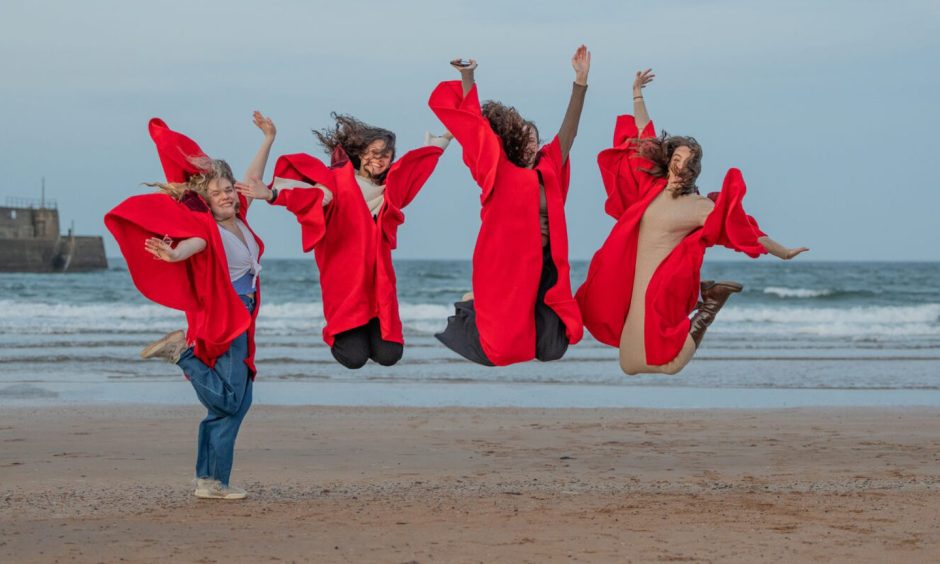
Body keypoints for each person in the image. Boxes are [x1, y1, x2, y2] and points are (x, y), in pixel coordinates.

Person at [575, 69, 809, 375]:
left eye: (687, 159)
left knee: (670, 366)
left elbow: (742, 231)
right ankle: (708, 299)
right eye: (676, 155)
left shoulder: (698, 206)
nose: (680, 161)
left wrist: (784, 251)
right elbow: (646, 133)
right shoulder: (651, 189)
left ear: (693, 168)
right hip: (634, 284)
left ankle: (710, 306)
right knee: (629, 365)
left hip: (658, 288)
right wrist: (637, 93)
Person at [104, 112, 275, 499]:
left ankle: (207, 481)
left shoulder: (241, 220)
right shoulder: (207, 228)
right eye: (218, 193)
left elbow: (253, 180)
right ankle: (182, 354)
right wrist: (174, 254)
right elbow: (195, 245)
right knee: (232, 400)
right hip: (223, 313)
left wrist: (267, 139)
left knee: (236, 403)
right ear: (206, 201)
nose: (228, 195)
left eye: (229, 189)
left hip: (244, 314)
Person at [238, 114, 450, 368]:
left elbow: (414, 170)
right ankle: (341, 333)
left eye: (385, 156)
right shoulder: (339, 181)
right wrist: (272, 194)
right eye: (374, 152)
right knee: (354, 358)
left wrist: (442, 141)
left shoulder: (391, 190)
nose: (379, 160)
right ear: (361, 153)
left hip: (378, 281)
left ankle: (369, 326)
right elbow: (315, 197)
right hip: (344, 278)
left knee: (389, 355)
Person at [427, 46, 590, 366]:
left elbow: (568, 134)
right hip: (505, 264)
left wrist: (580, 82)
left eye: (536, 138)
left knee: (553, 347)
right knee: (500, 352)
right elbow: (475, 130)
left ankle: (479, 307)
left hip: (545, 265)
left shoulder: (548, 169)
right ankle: (468, 312)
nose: (533, 144)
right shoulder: (498, 172)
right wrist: (468, 79)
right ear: (511, 141)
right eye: (526, 138)